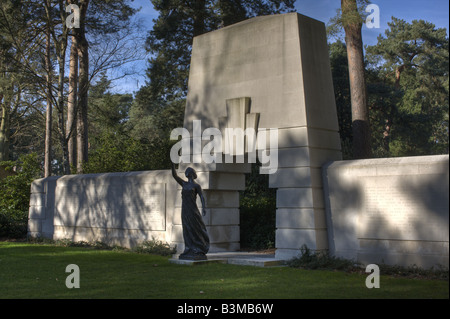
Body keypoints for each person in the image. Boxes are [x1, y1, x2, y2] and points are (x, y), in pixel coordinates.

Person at [171, 163, 210, 260]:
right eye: (186, 172)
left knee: (196, 228)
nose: (187, 173)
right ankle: (188, 249)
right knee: (187, 228)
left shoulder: (196, 186)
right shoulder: (184, 184)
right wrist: (172, 164)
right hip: (185, 209)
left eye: (189, 171)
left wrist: (204, 208)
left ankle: (199, 247)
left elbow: (201, 197)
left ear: (192, 174)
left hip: (193, 210)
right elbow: (174, 175)